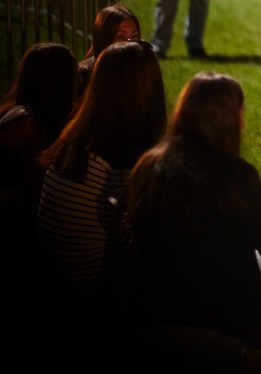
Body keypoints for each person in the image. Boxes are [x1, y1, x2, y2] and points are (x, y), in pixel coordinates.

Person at [125, 71, 261, 366]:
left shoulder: (149, 166)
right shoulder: (238, 177)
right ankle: (254, 358)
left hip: (149, 320)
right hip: (223, 332)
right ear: (235, 117)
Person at [34, 40, 167, 369]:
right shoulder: (123, 151)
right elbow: (151, 233)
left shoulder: (80, 135)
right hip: (94, 303)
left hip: (55, 290)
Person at [0, 43, 77, 256]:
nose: (78, 80)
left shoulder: (25, 112)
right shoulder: (28, 124)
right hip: (16, 223)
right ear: (58, 82)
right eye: (73, 73)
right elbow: (40, 189)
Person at [77, 4, 142, 95]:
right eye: (121, 37)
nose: (130, 42)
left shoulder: (142, 71)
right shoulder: (84, 76)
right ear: (104, 39)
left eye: (134, 36)